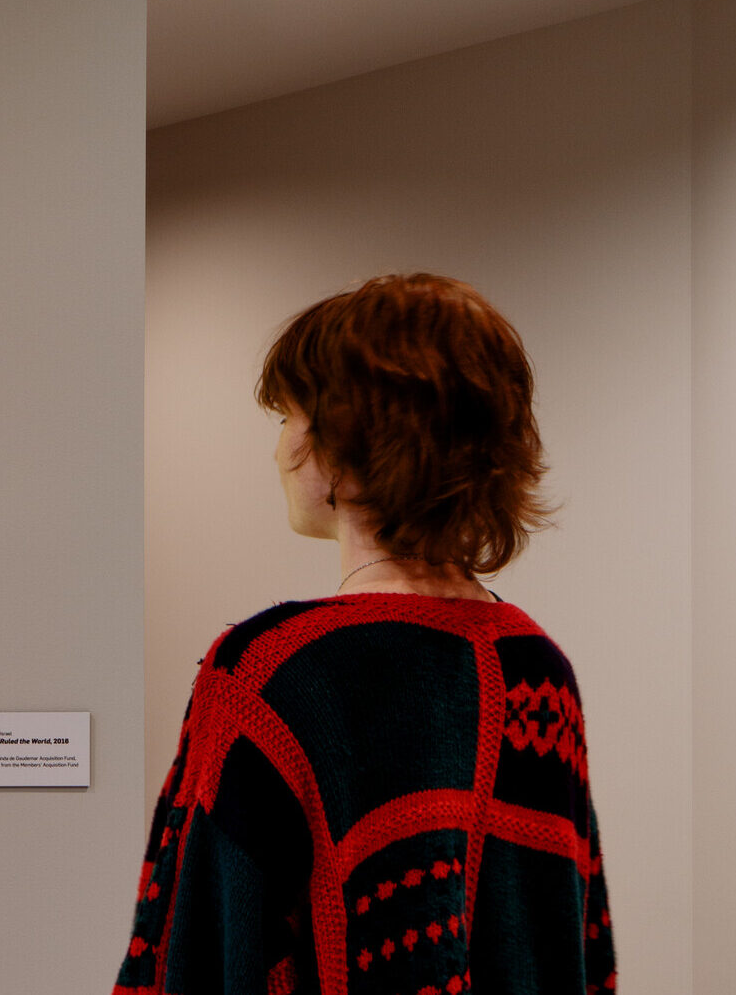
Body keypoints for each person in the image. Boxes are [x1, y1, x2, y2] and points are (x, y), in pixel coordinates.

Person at [115, 274, 614, 995]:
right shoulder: (539, 670)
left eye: (289, 416)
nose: (280, 447)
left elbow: (197, 951)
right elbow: (576, 945)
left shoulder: (274, 672)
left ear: (344, 446)